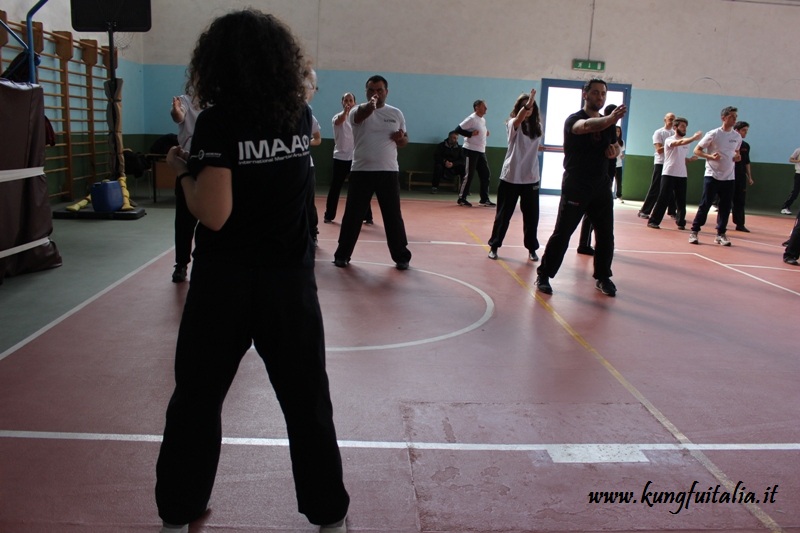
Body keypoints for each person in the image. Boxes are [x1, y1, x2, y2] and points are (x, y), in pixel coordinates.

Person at [154, 10, 349, 533]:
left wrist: (183, 171)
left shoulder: (220, 121)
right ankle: (329, 510)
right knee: (307, 401)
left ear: (217, 63)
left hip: (226, 286)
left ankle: (179, 505)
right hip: (290, 284)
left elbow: (213, 212)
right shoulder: (298, 115)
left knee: (197, 397)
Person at [535, 79, 626, 297]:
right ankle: (544, 274)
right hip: (577, 184)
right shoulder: (574, 119)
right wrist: (610, 119)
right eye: (595, 93)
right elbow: (584, 127)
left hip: (601, 185)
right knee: (563, 232)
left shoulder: (610, 125)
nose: (600, 97)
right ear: (585, 94)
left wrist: (614, 151)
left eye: (603, 93)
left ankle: (603, 276)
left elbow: (613, 147)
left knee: (606, 235)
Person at [332, 75, 412, 270]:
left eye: (379, 90)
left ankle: (401, 257)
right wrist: (372, 104)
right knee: (353, 215)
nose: (375, 93)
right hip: (361, 171)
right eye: (371, 90)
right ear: (366, 92)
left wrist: (400, 139)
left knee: (393, 216)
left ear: (387, 91)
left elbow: (404, 141)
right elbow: (363, 114)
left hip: (388, 171)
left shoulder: (396, 113)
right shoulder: (356, 112)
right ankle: (342, 255)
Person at [487, 89, 542, 261]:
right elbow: (519, 118)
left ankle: (532, 248)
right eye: (525, 107)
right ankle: (494, 246)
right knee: (503, 215)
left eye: (532, 107)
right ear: (520, 108)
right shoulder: (512, 123)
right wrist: (529, 102)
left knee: (532, 217)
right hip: (511, 177)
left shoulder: (538, 127)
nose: (529, 109)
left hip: (531, 178)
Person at [688, 106, 742, 246]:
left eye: (736, 116)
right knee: (705, 205)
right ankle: (694, 231)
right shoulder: (713, 134)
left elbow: (736, 153)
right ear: (723, 118)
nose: (734, 119)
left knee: (725, 206)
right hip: (712, 175)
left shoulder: (737, 137)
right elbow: (697, 150)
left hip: (729, 177)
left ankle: (721, 234)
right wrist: (709, 156)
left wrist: (737, 157)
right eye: (731, 116)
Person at [576, 104, 621, 256]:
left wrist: (615, 151)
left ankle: (602, 268)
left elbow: (616, 149)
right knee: (583, 218)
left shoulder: (612, 130)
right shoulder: (589, 123)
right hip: (588, 181)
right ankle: (584, 244)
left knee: (604, 227)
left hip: (605, 179)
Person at [323, 92, 373, 224]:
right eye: (346, 100)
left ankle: (367, 216)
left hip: (356, 158)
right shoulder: (337, 118)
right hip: (340, 158)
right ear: (342, 102)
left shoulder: (359, 119)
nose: (348, 103)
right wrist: (345, 112)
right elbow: (340, 119)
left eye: (350, 100)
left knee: (360, 188)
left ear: (354, 103)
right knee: (335, 188)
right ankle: (329, 215)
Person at [646, 117, 700, 230]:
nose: (685, 128)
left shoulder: (687, 143)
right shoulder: (669, 140)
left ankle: (681, 222)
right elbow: (679, 142)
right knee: (663, 198)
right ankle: (654, 221)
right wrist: (694, 138)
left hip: (682, 174)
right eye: (682, 126)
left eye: (686, 127)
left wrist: (690, 160)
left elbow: (682, 157)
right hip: (669, 173)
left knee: (681, 200)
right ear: (675, 127)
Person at [169, 94, 201, 282]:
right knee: (184, 220)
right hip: (188, 163)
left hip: (212, 164)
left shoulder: (222, 99)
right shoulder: (185, 101)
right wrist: (176, 110)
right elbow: (178, 116)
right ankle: (181, 264)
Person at [455, 100, 495, 207]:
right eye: (484, 106)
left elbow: (479, 131)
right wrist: (469, 133)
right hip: (470, 150)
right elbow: (458, 129)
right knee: (470, 175)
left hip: (481, 151)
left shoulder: (482, 120)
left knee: (485, 174)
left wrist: (485, 132)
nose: (486, 109)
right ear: (477, 107)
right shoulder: (471, 118)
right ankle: (462, 198)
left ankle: (484, 199)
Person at [638, 112, 676, 219]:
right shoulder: (659, 132)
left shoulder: (675, 134)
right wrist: (670, 145)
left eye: (673, 119)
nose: (672, 121)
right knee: (656, 187)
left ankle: (673, 211)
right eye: (670, 119)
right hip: (660, 162)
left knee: (671, 188)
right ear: (665, 120)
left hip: (671, 164)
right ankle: (645, 211)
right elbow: (659, 150)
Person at [304, 66, 322, 246]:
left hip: (306, 166)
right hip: (288, 167)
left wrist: (306, 142)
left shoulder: (308, 116)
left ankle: (313, 234)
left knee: (308, 203)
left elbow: (318, 139)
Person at [732, 121, 754, 232]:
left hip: (740, 177)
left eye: (746, 130)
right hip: (728, 176)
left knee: (740, 201)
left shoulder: (746, 146)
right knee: (725, 201)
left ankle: (740, 224)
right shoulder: (729, 143)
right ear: (737, 131)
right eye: (743, 130)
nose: (746, 132)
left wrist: (749, 176)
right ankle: (721, 224)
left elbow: (747, 162)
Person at [780, 146, 800, 215]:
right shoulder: (798, 150)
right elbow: (791, 160)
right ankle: (785, 207)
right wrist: (798, 161)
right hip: (798, 174)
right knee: (795, 192)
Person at [613, 125, 625, 201]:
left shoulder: (622, 142)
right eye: (616, 131)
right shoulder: (611, 139)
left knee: (619, 181)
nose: (617, 132)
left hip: (619, 164)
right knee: (609, 180)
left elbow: (622, 152)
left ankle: (619, 195)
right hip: (611, 163)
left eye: (619, 131)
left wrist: (622, 155)